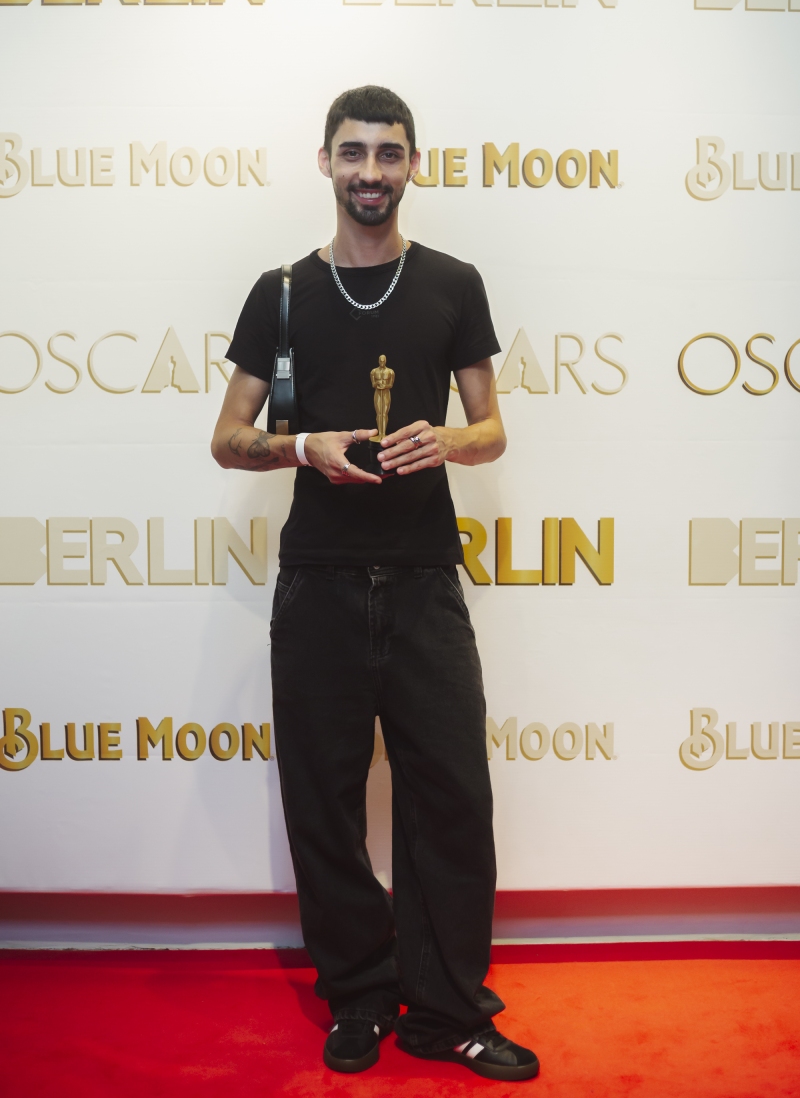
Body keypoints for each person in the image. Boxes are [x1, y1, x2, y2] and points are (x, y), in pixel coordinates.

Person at [211, 85, 539, 1082]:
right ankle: (357, 994)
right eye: (352, 153)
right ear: (325, 162)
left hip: (424, 579)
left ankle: (446, 1012)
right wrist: (304, 447)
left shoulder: (453, 283)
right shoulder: (279, 293)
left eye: (388, 154)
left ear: (411, 166)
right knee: (324, 800)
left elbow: (492, 428)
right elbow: (228, 438)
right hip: (316, 581)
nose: (370, 171)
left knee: (452, 798)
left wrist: (448, 440)